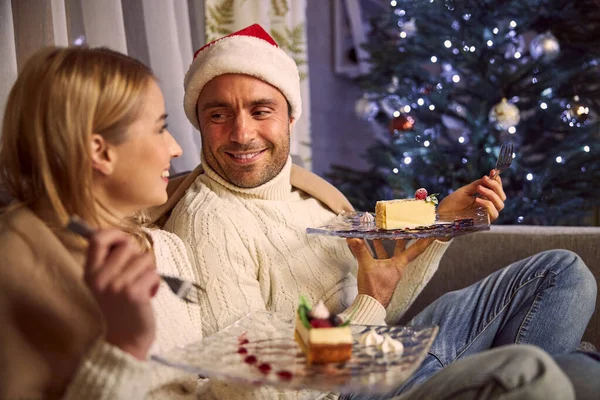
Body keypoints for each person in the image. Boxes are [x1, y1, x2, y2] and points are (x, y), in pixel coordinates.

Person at [154, 24, 599, 398]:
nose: (241, 133)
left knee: (562, 272)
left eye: (260, 110)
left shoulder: (307, 197)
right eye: (218, 115)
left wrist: (438, 226)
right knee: (559, 371)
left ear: (289, 117)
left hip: (381, 357)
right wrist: (371, 303)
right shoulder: (209, 221)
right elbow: (257, 387)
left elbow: (377, 304)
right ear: (199, 123)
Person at [0, 46, 203, 399]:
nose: (176, 149)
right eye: (161, 128)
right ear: (100, 152)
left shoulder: (168, 250)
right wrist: (125, 345)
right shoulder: (13, 266)